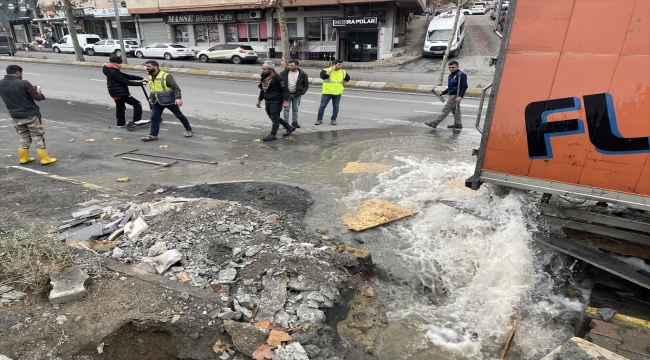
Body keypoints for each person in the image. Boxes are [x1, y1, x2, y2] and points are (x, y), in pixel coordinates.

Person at [0, 65, 56, 165]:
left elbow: (12, 93)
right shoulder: (24, 83)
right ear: (17, 72)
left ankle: (23, 158)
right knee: (37, 135)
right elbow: (37, 97)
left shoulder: (1, 83)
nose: (22, 75)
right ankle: (44, 158)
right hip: (30, 114)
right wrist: (38, 92)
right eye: (21, 73)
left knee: (24, 136)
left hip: (15, 115)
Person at [141, 60, 194, 142]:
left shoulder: (166, 76)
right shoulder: (150, 76)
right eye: (146, 66)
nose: (147, 68)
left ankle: (189, 130)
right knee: (154, 117)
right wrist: (150, 98)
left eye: (149, 66)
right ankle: (153, 135)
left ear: (155, 66)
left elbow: (176, 88)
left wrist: (178, 98)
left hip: (169, 101)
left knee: (179, 115)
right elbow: (153, 89)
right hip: (156, 101)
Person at [103, 54, 148, 128]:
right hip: (120, 93)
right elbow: (126, 81)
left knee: (120, 108)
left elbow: (126, 76)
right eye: (118, 63)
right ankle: (137, 120)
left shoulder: (112, 70)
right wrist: (141, 83)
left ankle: (120, 123)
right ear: (113, 63)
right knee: (137, 104)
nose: (120, 65)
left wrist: (141, 78)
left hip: (115, 93)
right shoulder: (113, 72)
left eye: (121, 63)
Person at [256, 60, 295, 142]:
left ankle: (273, 134)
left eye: (265, 69)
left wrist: (285, 101)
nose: (263, 70)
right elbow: (263, 89)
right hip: (268, 100)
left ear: (271, 69)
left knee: (275, 117)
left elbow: (285, 90)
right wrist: (259, 100)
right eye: (262, 69)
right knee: (273, 117)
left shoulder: (279, 78)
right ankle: (289, 127)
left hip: (276, 100)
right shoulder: (264, 76)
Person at [426, 60, 468, 129]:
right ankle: (458, 124)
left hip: (455, 95)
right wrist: (443, 92)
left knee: (446, 109)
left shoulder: (461, 75)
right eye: (450, 67)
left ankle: (435, 122)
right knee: (455, 110)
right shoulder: (451, 75)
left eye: (453, 67)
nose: (451, 69)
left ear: (457, 67)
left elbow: (464, 86)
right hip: (451, 94)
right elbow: (450, 87)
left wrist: (460, 96)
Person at [316, 59, 350, 125]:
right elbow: (323, 76)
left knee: (336, 107)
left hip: (337, 92)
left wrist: (343, 84)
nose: (340, 66)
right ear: (334, 64)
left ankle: (333, 120)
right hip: (327, 92)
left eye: (341, 65)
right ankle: (319, 119)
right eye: (339, 65)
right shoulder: (326, 70)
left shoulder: (343, 72)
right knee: (322, 106)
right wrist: (332, 69)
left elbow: (347, 78)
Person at [279, 60, 309, 128]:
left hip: (297, 94)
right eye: (289, 65)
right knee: (286, 109)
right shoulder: (284, 72)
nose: (290, 67)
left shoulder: (302, 74)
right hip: (286, 94)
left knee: (295, 109)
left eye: (292, 65)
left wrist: (302, 92)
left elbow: (306, 84)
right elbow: (279, 82)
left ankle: (294, 122)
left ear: (297, 66)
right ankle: (285, 123)